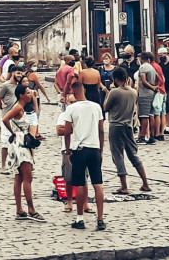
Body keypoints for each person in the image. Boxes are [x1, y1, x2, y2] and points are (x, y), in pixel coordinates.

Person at [57, 84, 108, 231]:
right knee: (97, 183)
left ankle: (80, 218)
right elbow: (101, 130)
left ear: (73, 91)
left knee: (79, 183)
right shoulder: (96, 107)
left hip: (79, 149)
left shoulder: (71, 108)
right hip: (94, 148)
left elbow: (67, 132)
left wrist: (67, 151)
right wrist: (101, 149)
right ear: (84, 90)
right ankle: (100, 219)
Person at [102, 68, 151, 195]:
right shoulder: (134, 92)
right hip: (128, 125)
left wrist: (107, 93)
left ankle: (124, 186)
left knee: (117, 155)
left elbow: (106, 108)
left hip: (116, 125)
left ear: (115, 79)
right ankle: (145, 182)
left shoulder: (114, 92)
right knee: (132, 154)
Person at [2, 77, 43, 221]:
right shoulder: (18, 108)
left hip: (20, 143)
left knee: (19, 177)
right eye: (27, 92)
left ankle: (20, 210)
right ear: (21, 95)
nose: (30, 93)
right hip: (20, 144)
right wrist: (13, 133)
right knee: (27, 177)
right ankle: (31, 209)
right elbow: (5, 119)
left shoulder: (23, 107)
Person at [135, 53, 162, 143]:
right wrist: (156, 86)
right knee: (151, 115)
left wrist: (151, 86)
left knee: (143, 116)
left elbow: (144, 80)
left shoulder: (143, 67)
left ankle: (142, 136)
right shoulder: (152, 67)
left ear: (142, 58)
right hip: (151, 94)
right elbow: (159, 79)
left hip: (144, 93)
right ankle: (152, 135)